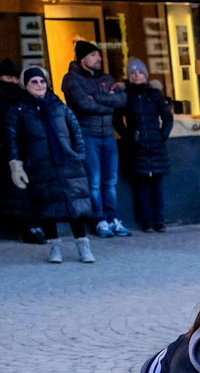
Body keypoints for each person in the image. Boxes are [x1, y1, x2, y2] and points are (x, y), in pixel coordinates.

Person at [8, 66, 97, 263]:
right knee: (47, 207)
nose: (39, 85)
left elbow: (76, 132)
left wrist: (79, 155)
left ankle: (83, 246)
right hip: (40, 165)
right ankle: (55, 247)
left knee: (76, 205)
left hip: (68, 163)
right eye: (34, 82)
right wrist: (16, 165)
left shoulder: (59, 106)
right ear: (25, 85)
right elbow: (13, 138)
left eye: (42, 81)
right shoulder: (19, 110)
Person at [60, 40, 128, 237]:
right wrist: (108, 102)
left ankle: (113, 218)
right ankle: (99, 220)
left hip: (108, 135)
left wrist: (96, 98)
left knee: (110, 181)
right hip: (87, 135)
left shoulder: (106, 77)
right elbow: (83, 104)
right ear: (82, 59)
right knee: (95, 182)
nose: (98, 58)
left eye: (98, 54)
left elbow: (121, 99)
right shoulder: (71, 79)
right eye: (93, 55)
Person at [117, 59, 171, 233]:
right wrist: (129, 137)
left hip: (156, 146)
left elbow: (167, 118)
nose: (137, 75)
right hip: (137, 148)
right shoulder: (126, 97)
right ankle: (147, 222)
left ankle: (160, 221)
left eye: (140, 72)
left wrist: (162, 136)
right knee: (141, 188)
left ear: (145, 75)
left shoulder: (155, 95)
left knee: (157, 187)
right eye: (133, 73)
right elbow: (117, 120)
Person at [0, 60, 32, 242]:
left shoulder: (22, 98)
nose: (13, 81)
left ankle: (27, 226)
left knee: (21, 191)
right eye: (9, 77)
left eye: (16, 77)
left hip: (19, 150)